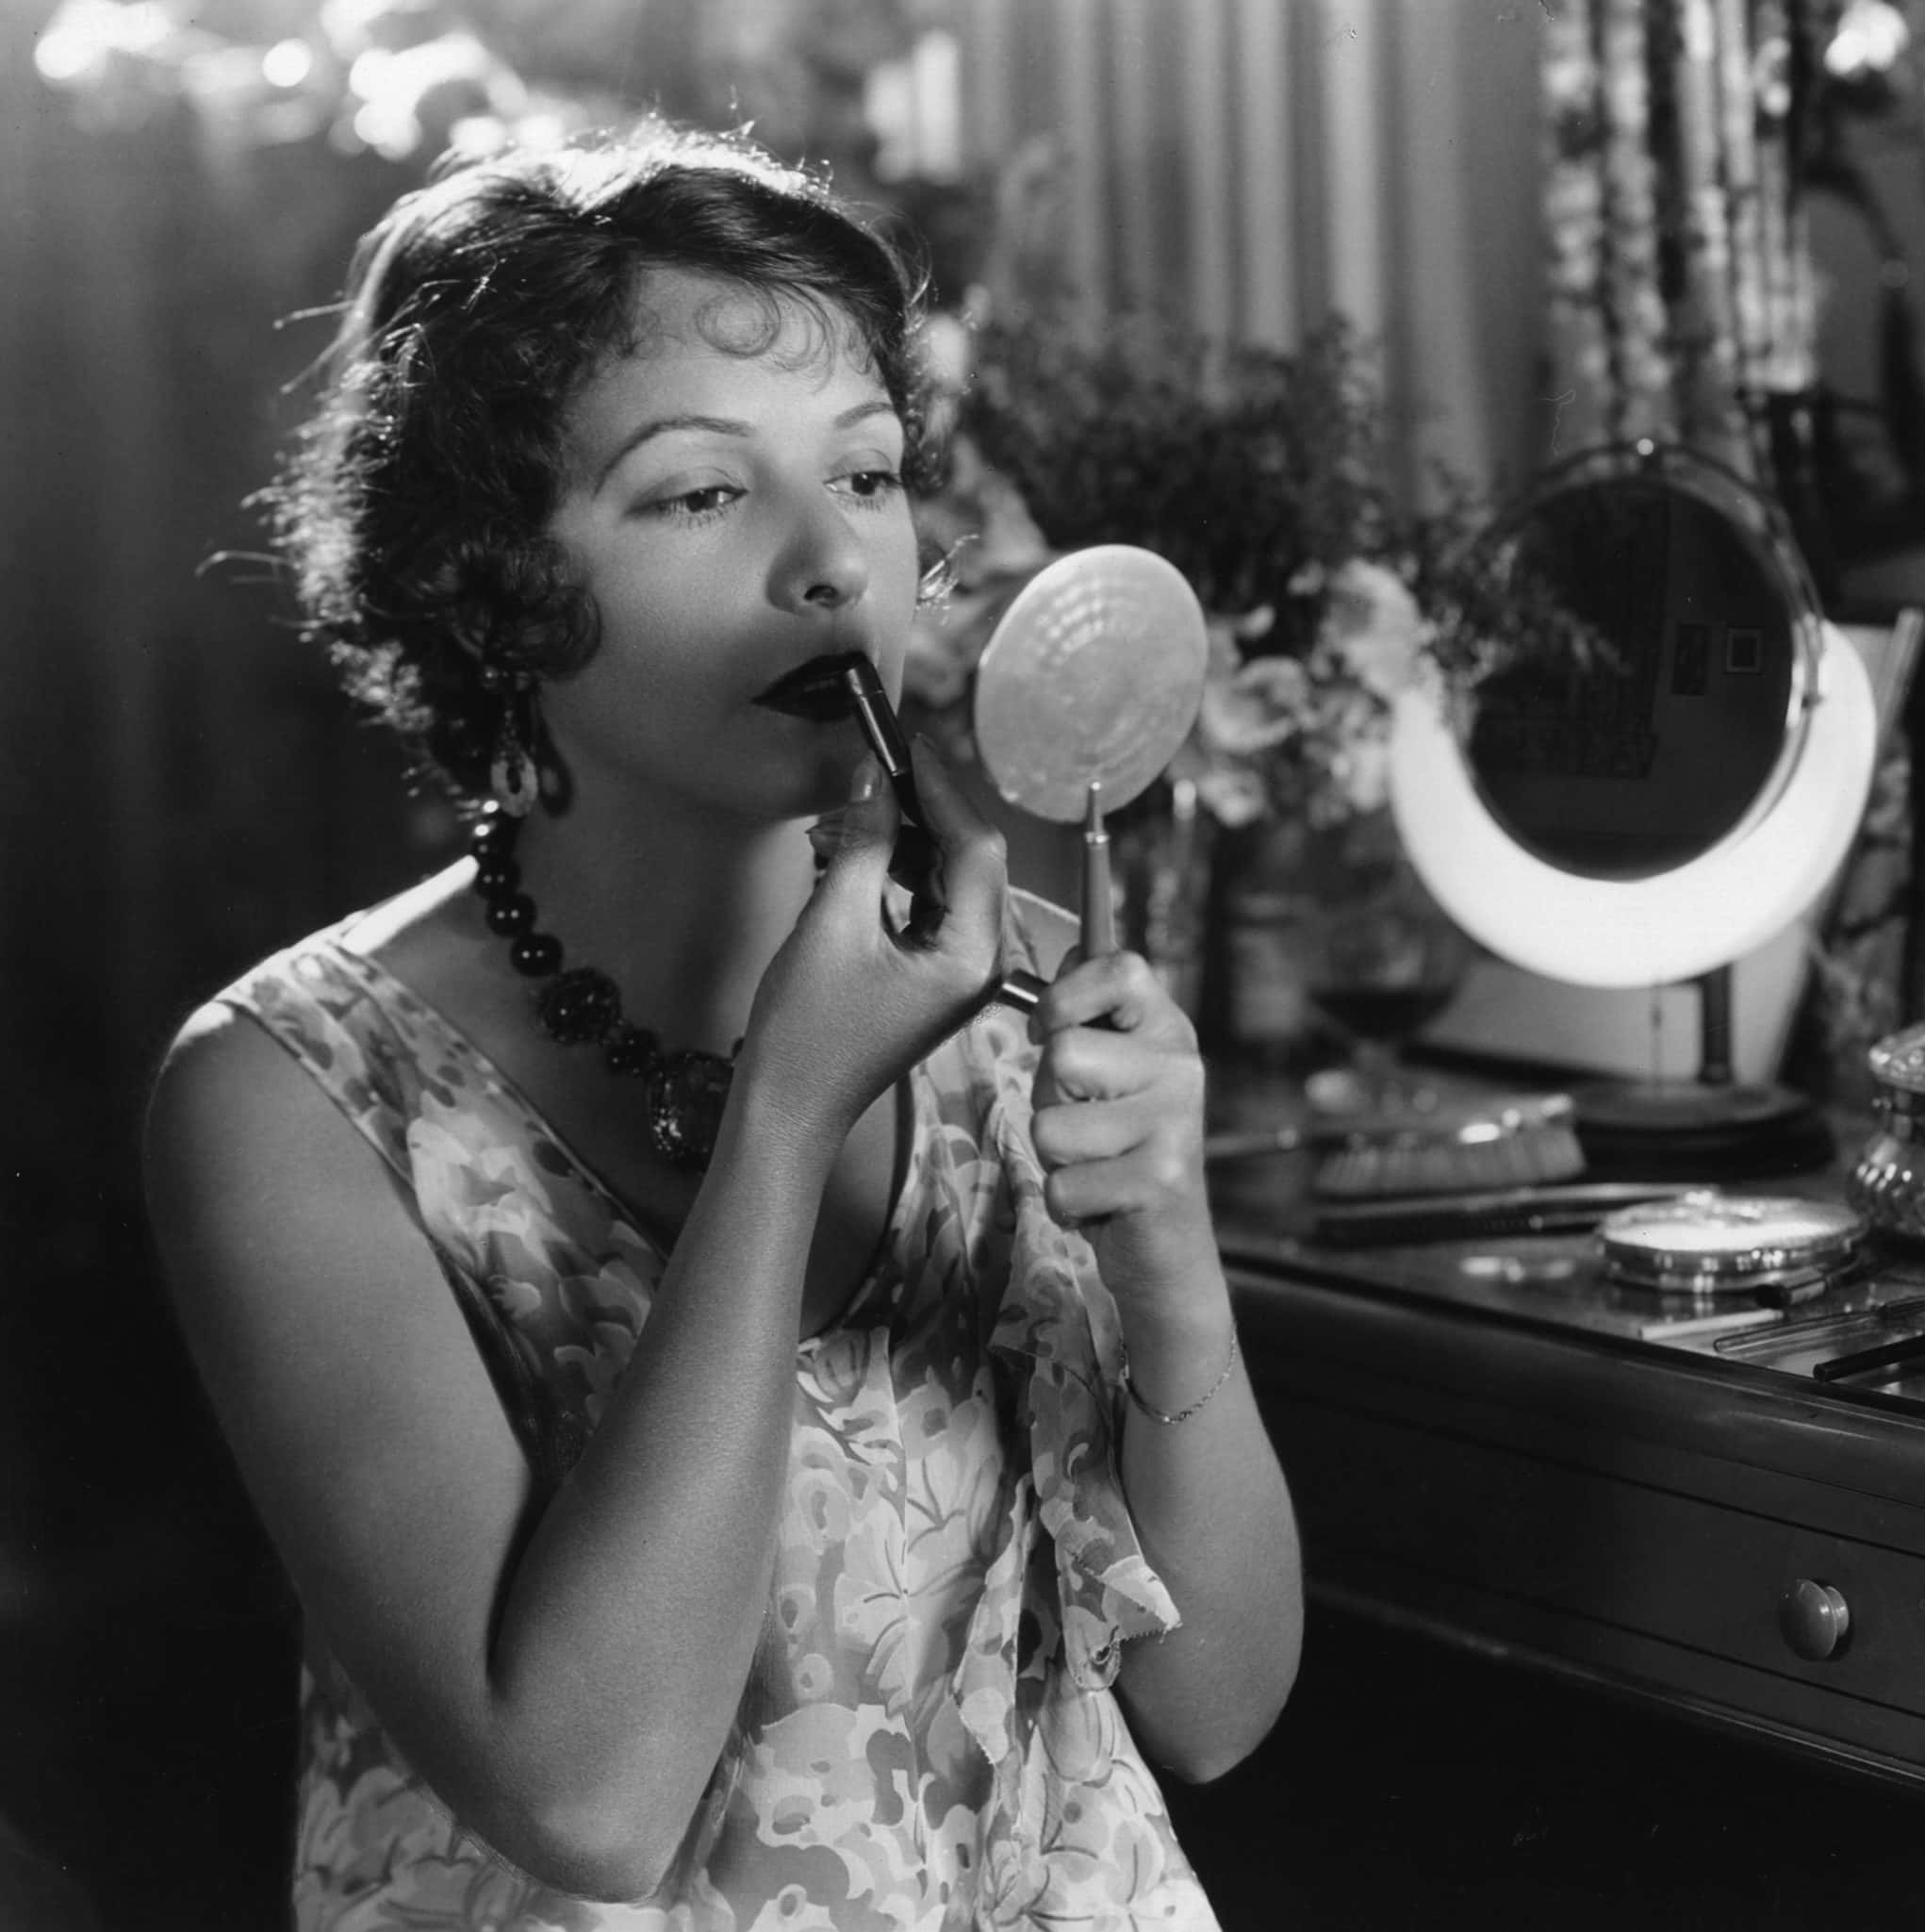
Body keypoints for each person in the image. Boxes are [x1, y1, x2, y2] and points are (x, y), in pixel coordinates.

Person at [141, 123, 1302, 1931]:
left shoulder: (1011, 991)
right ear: (489, 583)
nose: (834, 566)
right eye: (699, 493)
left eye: (868, 471)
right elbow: (587, 1798)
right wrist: (785, 1110)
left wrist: (1173, 1259)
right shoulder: (286, 1095)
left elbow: (1214, 1712)